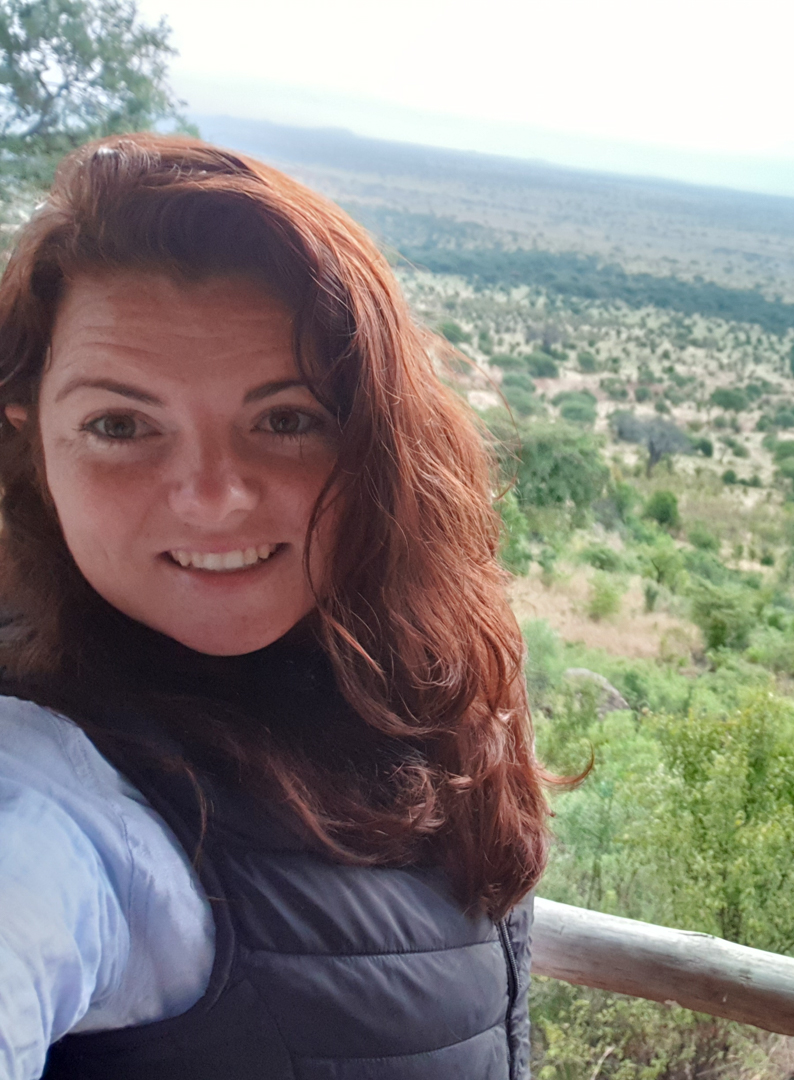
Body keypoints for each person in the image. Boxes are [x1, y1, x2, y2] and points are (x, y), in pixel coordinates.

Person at [0, 134, 549, 1079]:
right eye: (120, 426)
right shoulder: (49, 804)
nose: (214, 495)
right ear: (35, 448)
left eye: (286, 419)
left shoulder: (409, 679)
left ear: (373, 442)